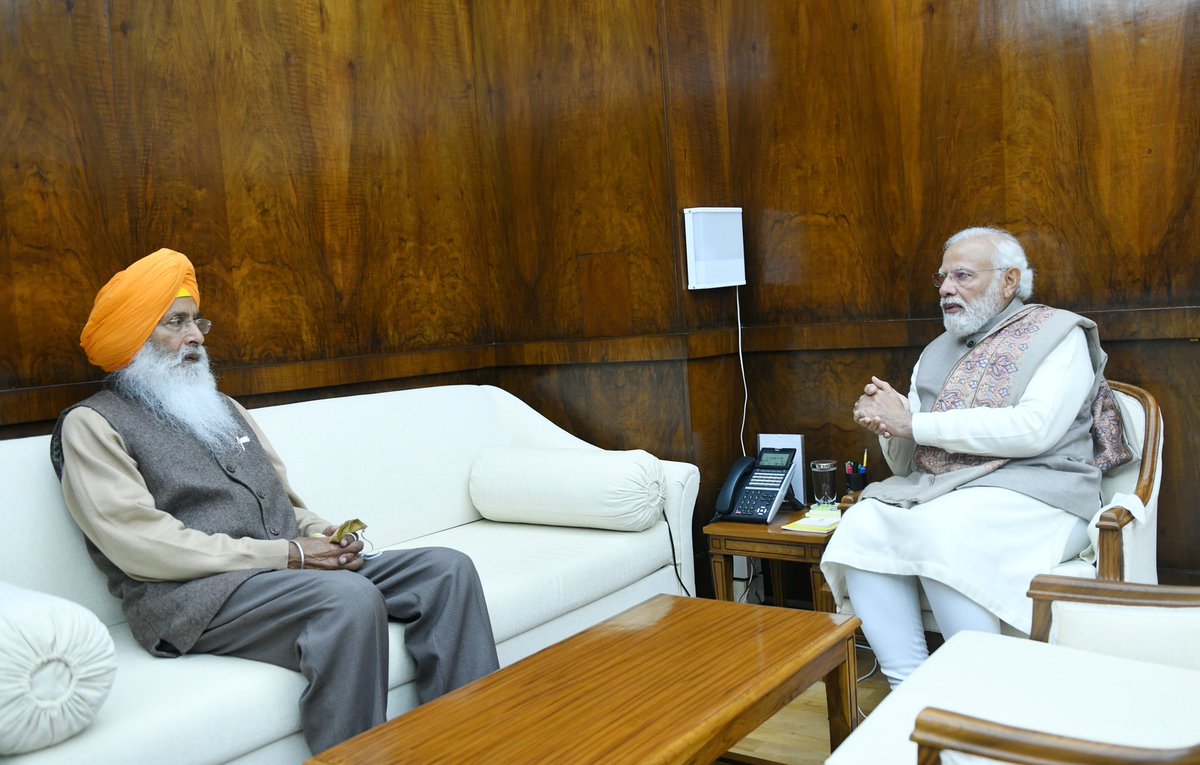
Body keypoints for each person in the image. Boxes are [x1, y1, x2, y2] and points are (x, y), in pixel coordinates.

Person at [50, 248, 500, 753]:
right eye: (176, 323)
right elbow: (142, 546)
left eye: (197, 321)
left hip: (283, 572)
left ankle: (474, 745)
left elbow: (284, 502)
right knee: (349, 600)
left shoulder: (221, 407)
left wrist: (321, 534)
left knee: (446, 570)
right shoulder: (92, 424)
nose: (196, 336)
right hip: (194, 598)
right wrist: (290, 554)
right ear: (134, 338)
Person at [820, 227, 1130, 688]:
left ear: (1009, 281)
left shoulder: (1059, 335)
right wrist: (889, 422)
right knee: (862, 521)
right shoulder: (935, 353)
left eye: (962, 276)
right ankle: (909, 687)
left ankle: (980, 690)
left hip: (1042, 490)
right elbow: (908, 464)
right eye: (942, 277)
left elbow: (1034, 430)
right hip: (948, 492)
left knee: (942, 528)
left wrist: (913, 424)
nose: (946, 288)